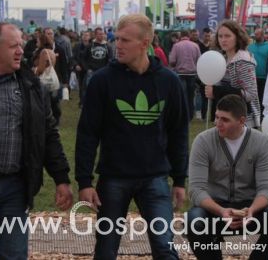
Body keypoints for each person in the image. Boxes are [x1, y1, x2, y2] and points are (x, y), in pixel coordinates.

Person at [76, 14, 189, 260]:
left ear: (145, 42)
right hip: (113, 177)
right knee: (106, 249)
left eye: (125, 40)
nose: (118, 45)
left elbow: (179, 132)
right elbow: (87, 134)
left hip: (155, 177)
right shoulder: (102, 81)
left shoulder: (169, 82)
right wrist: (84, 181)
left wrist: (179, 179)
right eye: (117, 39)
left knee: (164, 247)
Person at [0, 23, 73, 258]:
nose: (21, 50)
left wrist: (61, 179)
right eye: (14, 46)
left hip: (14, 188)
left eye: (21, 44)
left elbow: (48, 134)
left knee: (13, 255)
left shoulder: (31, 87)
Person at [187, 94, 268, 260]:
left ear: (241, 121)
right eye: (217, 117)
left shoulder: (260, 141)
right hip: (215, 208)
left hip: (250, 208)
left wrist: (252, 210)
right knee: (194, 220)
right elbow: (196, 190)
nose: (217, 123)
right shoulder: (203, 141)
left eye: (224, 120)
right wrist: (221, 211)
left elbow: (267, 188)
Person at [204, 20, 262, 127]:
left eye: (227, 36)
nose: (223, 40)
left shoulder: (243, 60)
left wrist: (216, 91)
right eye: (220, 36)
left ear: (237, 37)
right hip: (225, 115)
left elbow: (251, 93)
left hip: (242, 120)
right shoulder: (222, 59)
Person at [169, 30, 202, 121]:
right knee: (191, 96)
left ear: (181, 36)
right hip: (192, 74)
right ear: (189, 36)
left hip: (180, 74)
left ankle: (182, 115)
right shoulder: (196, 46)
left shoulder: (176, 46)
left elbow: (172, 61)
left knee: (182, 96)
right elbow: (199, 60)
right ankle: (190, 116)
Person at [249, 28, 268, 103]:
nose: (255, 36)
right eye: (255, 34)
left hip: (264, 78)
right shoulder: (250, 47)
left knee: (262, 98)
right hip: (252, 77)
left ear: (262, 35)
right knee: (252, 99)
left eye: (257, 34)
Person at [73, 30, 92, 106]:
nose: (85, 37)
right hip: (80, 69)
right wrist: (76, 65)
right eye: (84, 35)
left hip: (90, 69)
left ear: (90, 37)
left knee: (89, 86)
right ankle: (82, 102)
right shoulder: (77, 46)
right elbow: (73, 57)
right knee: (81, 86)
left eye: (87, 35)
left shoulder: (92, 46)